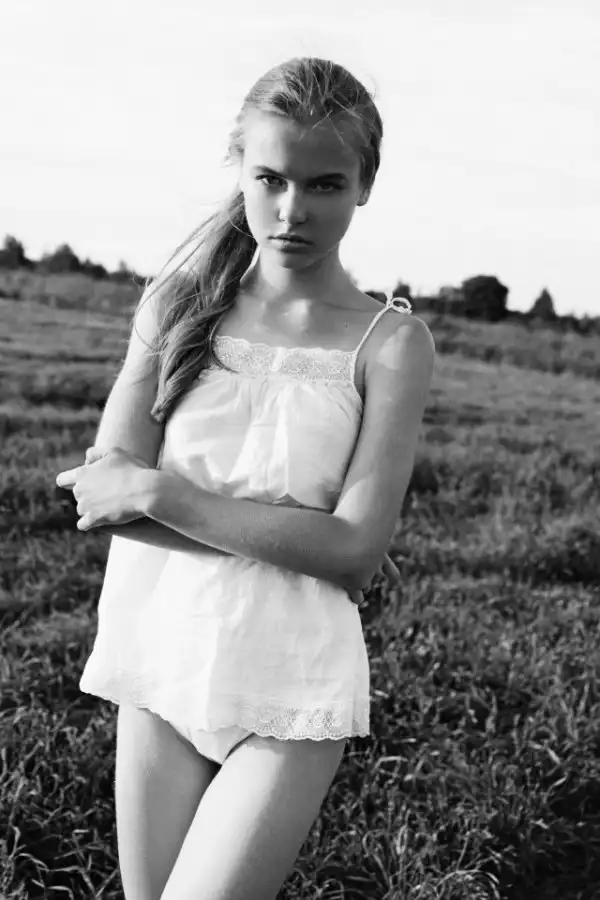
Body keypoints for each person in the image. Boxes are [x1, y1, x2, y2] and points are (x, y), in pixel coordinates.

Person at [55, 56, 435, 900]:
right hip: (160, 657)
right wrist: (286, 531)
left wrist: (163, 493)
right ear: (240, 167)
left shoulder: (390, 344)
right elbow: (102, 496)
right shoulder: (177, 306)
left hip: (292, 684)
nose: (294, 210)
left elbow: (354, 553)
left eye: (325, 184)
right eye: (271, 178)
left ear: (366, 185)